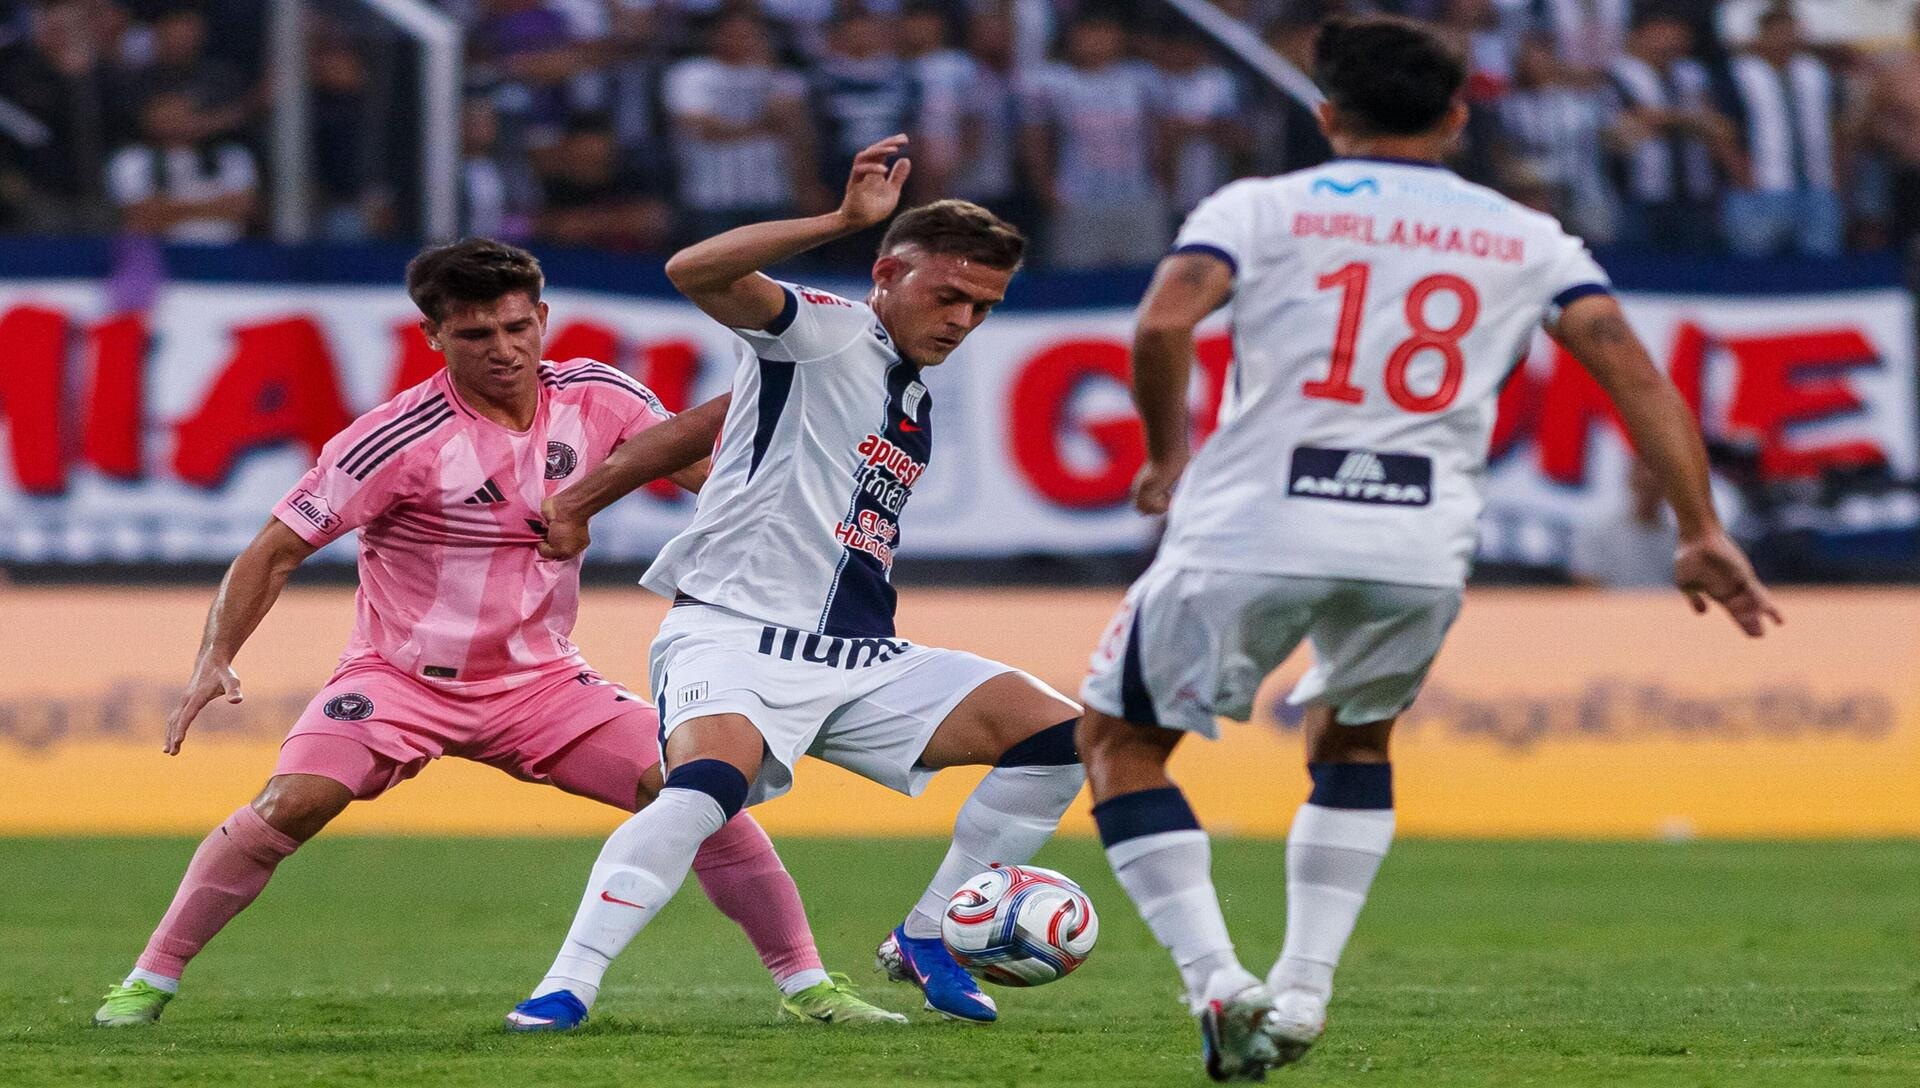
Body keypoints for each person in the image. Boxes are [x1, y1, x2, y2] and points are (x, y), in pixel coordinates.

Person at [1073, 17, 1783, 1081]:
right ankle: (1303, 992)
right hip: (1418, 538)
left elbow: (1164, 324)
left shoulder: (1259, 206)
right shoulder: (1526, 234)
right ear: (1457, 118)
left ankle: (1218, 979)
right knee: (1353, 745)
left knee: (1121, 741)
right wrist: (1700, 526)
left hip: (1256, 520)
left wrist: (1169, 453)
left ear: (1326, 117)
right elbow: (1634, 370)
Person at [92, 239, 898, 1031]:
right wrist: (215, 657)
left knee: (698, 795)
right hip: (400, 680)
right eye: (477, 334)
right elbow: (274, 550)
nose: (504, 350)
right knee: (293, 801)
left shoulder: (599, 395)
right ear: (434, 336)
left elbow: (714, 479)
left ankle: (808, 984)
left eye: (519, 328)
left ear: (543, 317)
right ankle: (146, 981)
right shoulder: (393, 440)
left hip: (544, 685)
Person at [505, 136, 1086, 1029]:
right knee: (704, 792)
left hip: (857, 654)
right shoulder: (826, 329)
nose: (965, 321)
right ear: (888, 274)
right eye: (949, 296)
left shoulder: (909, 392)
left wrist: (582, 497)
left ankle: (927, 935)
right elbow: (693, 268)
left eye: (984, 307)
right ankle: (565, 986)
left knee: (1058, 737)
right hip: (734, 634)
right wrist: (839, 221)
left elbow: (696, 426)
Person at [1718, 5, 1844, 258]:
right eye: (1777, 32)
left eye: (1790, 31)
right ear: (1762, 34)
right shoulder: (1739, 73)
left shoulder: (1816, 73)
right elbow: (1721, 130)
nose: (1785, 38)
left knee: (1819, 264)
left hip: (1817, 185)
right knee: (1756, 265)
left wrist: (1838, 175)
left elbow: (1836, 128)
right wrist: (1742, 174)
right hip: (1762, 187)